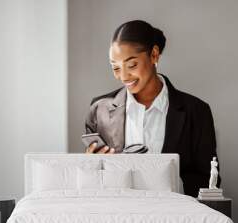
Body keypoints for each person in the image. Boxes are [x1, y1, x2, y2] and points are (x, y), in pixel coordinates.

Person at [83, 20, 221, 197]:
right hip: (117, 215)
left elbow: (210, 180)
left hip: (174, 217)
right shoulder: (99, 109)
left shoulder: (196, 111)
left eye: (132, 65)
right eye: (115, 67)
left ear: (154, 55)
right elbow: (90, 183)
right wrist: (89, 166)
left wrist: (168, 183)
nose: (123, 76)